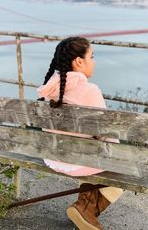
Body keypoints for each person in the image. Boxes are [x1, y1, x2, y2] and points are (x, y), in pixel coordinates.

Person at [37, 37, 123, 230]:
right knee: (123, 163)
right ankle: (86, 209)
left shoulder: (49, 89)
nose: (95, 61)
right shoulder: (90, 91)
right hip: (79, 161)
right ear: (79, 61)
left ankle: (85, 207)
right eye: (92, 56)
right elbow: (106, 134)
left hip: (53, 156)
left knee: (91, 151)